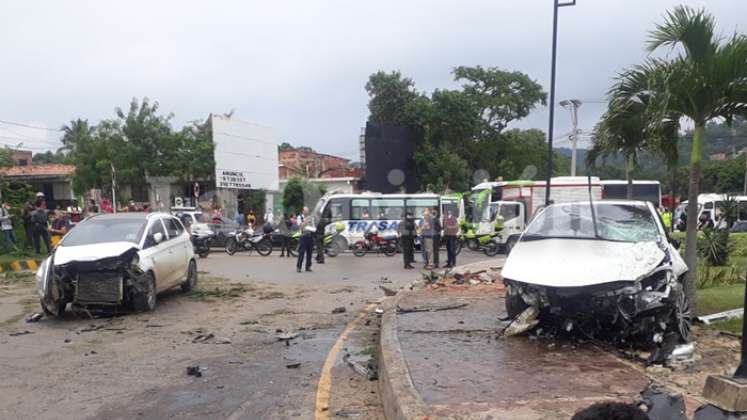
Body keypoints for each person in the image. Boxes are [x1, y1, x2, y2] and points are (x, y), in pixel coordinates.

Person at [296, 207, 314, 272]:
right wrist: (306, 221)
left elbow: (313, 226)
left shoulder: (310, 217)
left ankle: (308, 267)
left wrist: (311, 223)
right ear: (303, 211)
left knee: (310, 253)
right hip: (303, 236)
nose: (307, 212)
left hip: (310, 236)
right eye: (306, 211)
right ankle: (299, 267)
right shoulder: (299, 217)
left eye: (308, 211)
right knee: (301, 252)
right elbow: (300, 226)